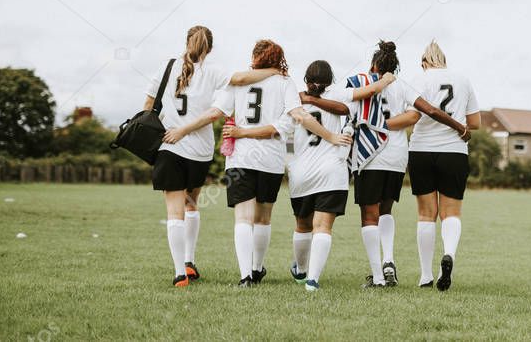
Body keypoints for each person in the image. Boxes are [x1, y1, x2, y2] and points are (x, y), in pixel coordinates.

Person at [163, 41, 358, 287]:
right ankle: (257, 269)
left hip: (241, 159)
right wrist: (330, 136)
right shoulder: (285, 82)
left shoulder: (238, 81)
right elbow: (295, 118)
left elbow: (216, 112)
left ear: (255, 58)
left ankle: (246, 276)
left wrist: (187, 130)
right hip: (270, 160)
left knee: (243, 219)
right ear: (278, 60)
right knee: (263, 219)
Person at [145, 25, 282, 287]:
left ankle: (179, 274)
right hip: (198, 150)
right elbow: (241, 80)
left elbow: (148, 106)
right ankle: (189, 260)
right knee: (191, 205)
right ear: (209, 47)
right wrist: (274, 71)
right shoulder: (213, 71)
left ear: (186, 42)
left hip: (168, 145)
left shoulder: (166, 67)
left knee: (174, 211)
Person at [351, 40, 466, 288]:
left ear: (373, 64)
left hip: (371, 155)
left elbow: (347, 108)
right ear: (396, 66)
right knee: (385, 211)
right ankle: (389, 260)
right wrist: (459, 126)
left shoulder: (361, 84)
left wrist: (374, 125)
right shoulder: (402, 85)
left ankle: (379, 277)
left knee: (369, 216)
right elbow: (417, 114)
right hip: (396, 155)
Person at [288, 59, 393, 292]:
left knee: (302, 226)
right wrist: (385, 79)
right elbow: (370, 90)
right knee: (323, 227)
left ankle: (301, 271)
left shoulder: (294, 98)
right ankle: (312, 281)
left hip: (301, 172)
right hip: (332, 171)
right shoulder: (338, 93)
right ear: (331, 80)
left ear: (306, 79)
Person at [389, 40, 479, 291]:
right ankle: (448, 255)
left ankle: (426, 276)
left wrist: (382, 124)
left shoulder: (419, 79)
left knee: (426, 215)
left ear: (424, 62)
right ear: (444, 60)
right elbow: (476, 122)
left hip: (422, 151)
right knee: (451, 213)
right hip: (454, 152)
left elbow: (413, 116)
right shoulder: (463, 79)